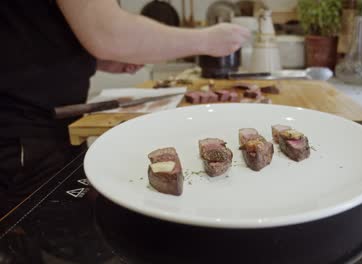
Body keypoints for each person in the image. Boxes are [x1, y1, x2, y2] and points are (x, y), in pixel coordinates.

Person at [0, 0, 250, 216]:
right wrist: (207, 39)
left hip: (48, 124)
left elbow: (35, 34)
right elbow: (107, 32)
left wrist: (94, 60)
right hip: (20, 132)